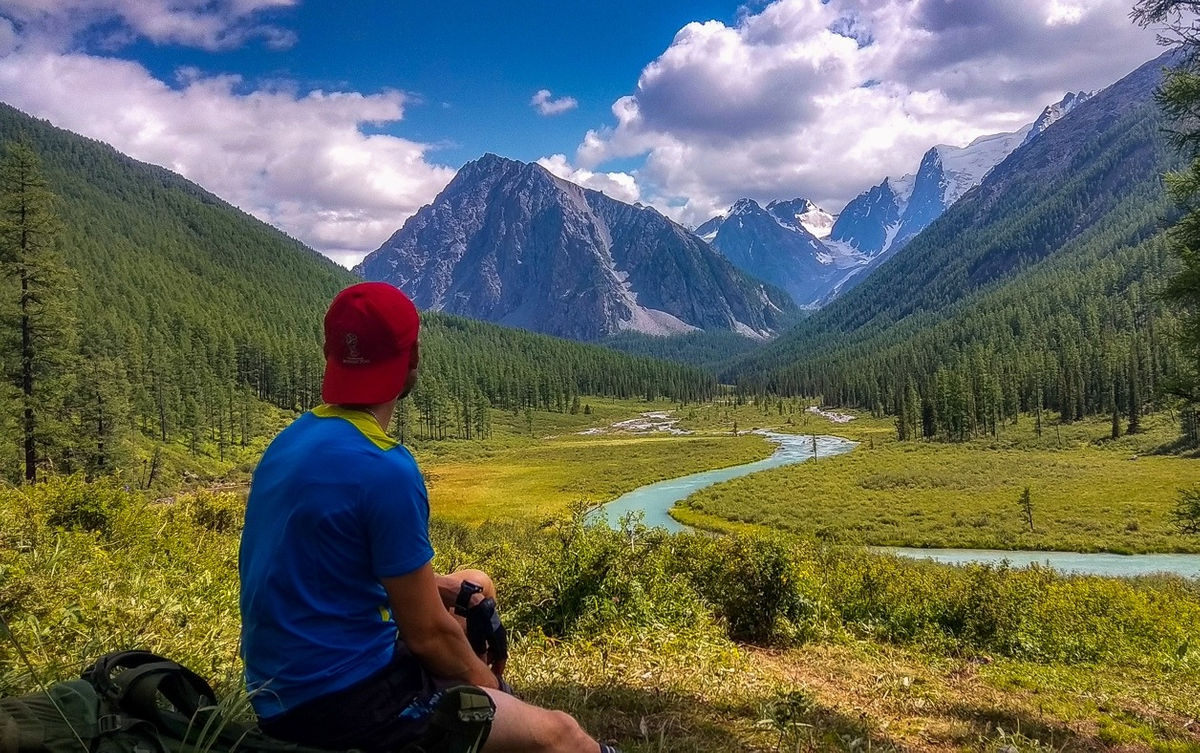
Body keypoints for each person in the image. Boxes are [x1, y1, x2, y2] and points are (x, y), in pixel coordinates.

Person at [239, 282, 617, 753]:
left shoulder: (293, 439)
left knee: (474, 582)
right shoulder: (385, 468)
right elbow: (427, 636)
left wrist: (446, 587)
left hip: (277, 690)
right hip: (343, 704)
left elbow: (332, 564)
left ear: (329, 352)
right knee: (562, 735)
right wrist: (492, 689)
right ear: (413, 357)